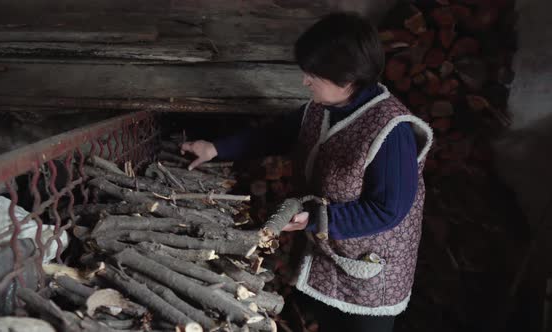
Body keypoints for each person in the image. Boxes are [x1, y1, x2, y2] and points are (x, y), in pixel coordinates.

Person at [180, 12, 433, 332]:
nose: (305, 81)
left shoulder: (391, 132)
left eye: (313, 73)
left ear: (347, 78)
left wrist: (315, 218)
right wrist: (216, 148)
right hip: (330, 256)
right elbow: (277, 134)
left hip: (371, 274)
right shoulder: (323, 108)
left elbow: (388, 211)